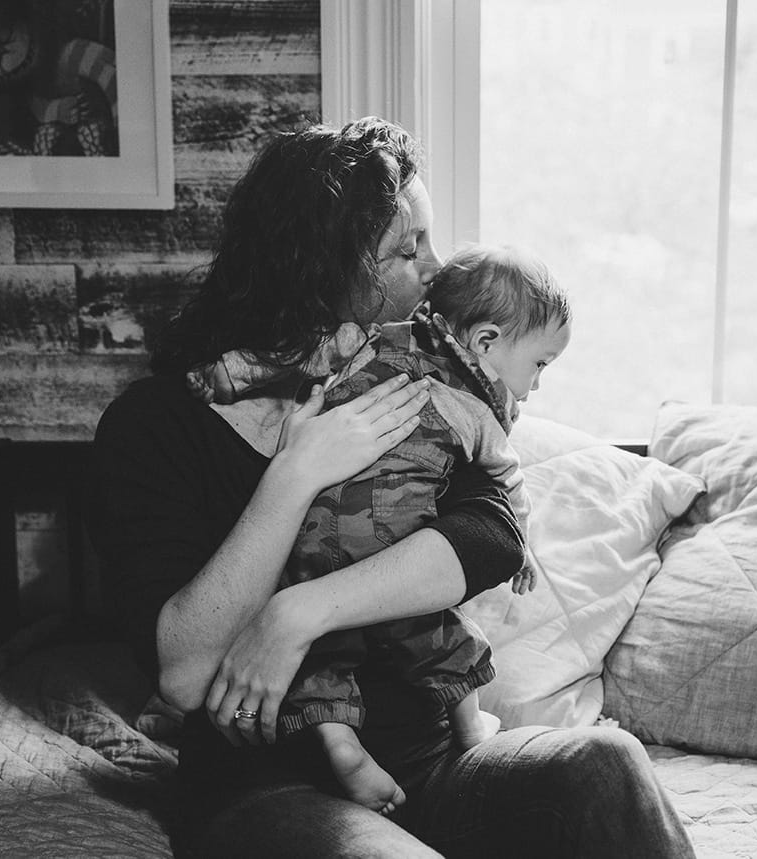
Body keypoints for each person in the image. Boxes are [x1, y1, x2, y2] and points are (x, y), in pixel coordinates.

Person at [88, 116, 696, 858]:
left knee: (606, 762)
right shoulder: (156, 426)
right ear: (322, 268)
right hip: (271, 785)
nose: (436, 269)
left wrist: (295, 613)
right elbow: (185, 672)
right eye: (408, 250)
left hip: (436, 765)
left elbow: (490, 537)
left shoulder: (419, 382)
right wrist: (295, 474)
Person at [200, 243, 573, 815]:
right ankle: (471, 728)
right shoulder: (473, 412)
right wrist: (524, 546)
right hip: (392, 544)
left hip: (314, 533)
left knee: (323, 655)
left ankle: (340, 744)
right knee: (442, 635)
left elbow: (289, 359)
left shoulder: (370, 341)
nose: (538, 383)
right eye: (541, 364)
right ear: (485, 342)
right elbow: (509, 484)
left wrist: (226, 375)